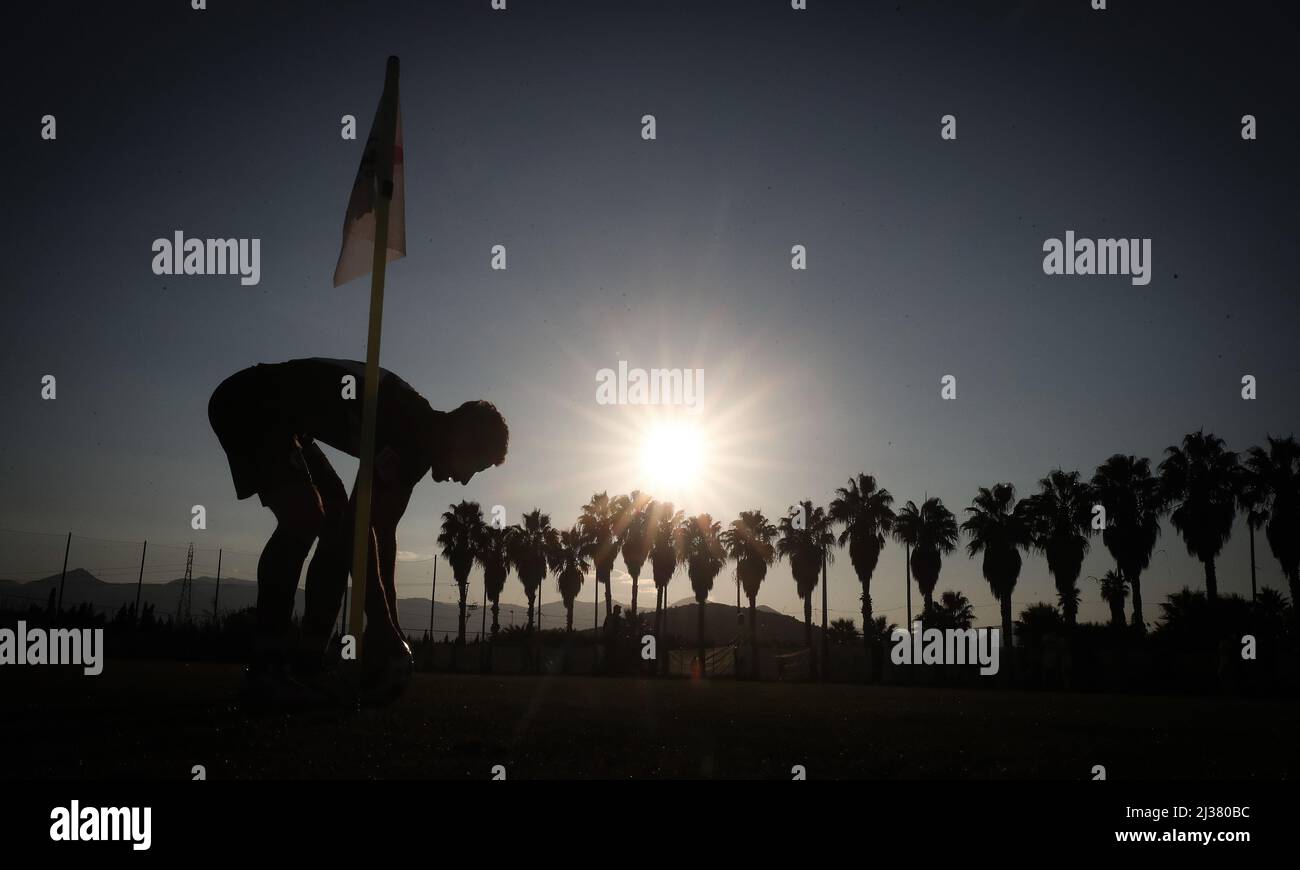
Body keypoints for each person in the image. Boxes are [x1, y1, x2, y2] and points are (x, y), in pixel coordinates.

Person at [208, 357, 508, 703]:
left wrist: (389, 624)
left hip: (283, 419)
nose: (467, 479)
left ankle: (307, 662)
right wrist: (380, 625)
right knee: (305, 518)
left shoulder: (420, 439)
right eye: (476, 466)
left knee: (335, 520)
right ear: (465, 438)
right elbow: (361, 528)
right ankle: (266, 668)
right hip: (251, 401)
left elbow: (381, 533)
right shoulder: (413, 432)